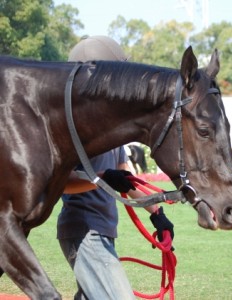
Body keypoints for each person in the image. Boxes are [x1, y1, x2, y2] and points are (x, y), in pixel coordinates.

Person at [57, 36, 174, 300]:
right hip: (84, 232)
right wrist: (102, 178)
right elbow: (61, 181)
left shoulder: (112, 131)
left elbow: (125, 180)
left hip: (104, 231)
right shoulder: (72, 127)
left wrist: (157, 214)